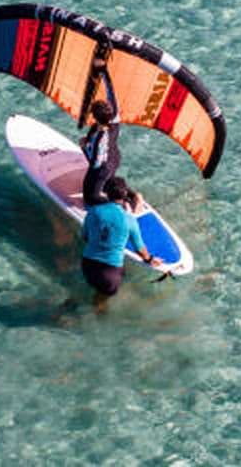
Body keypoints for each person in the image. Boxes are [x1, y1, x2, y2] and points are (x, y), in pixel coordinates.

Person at [81, 176, 162, 313]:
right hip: (110, 274)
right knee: (101, 301)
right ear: (124, 195)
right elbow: (139, 248)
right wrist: (150, 259)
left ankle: (70, 306)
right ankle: (98, 324)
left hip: (87, 265)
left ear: (105, 192)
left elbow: (85, 236)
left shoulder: (93, 211)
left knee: (96, 288)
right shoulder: (129, 220)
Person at [80, 53, 142, 211]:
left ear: (95, 117)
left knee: (90, 197)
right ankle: (132, 195)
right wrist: (103, 70)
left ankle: (121, 205)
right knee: (108, 182)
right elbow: (111, 92)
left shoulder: (100, 137)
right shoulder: (114, 117)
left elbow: (95, 162)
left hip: (104, 166)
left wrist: (84, 147)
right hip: (115, 159)